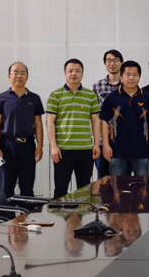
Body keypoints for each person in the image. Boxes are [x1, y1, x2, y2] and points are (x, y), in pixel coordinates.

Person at [46, 59, 101, 199]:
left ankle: (82, 213)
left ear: (82, 74)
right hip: (63, 150)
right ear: (65, 73)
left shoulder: (90, 95)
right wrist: (53, 146)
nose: (74, 74)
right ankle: (59, 214)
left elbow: (95, 121)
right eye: (70, 71)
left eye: (77, 71)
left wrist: (96, 144)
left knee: (84, 188)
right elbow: (50, 122)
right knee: (61, 188)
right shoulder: (55, 95)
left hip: (85, 149)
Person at [0, 62, 45, 197]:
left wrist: (40, 146)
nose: (19, 76)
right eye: (15, 73)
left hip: (28, 146)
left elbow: (38, 124)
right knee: (6, 187)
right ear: (9, 76)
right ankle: (7, 212)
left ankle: (26, 211)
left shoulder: (34, 98)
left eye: (22, 73)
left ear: (27, 77)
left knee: (27, 187)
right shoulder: (1, 98)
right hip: (7, 146)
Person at [100, 61, 149, 176]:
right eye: (128, 74)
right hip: (117, 152)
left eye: (135, 75)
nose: (131, 78)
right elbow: (104, 121)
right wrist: (106, 145)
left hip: (142, 152)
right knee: (117, 186)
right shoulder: (112, 97)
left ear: (139, 77)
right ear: (121, 77)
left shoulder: (146, 97)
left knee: (143, 185)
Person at [92, 49, 123, 179]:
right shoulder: (97, 86)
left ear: (121, 63)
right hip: (101, 140)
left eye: (115, 60)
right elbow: (94, 115)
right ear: (105, 63)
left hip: (122, 140)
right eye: (109, 61)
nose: (112, 63)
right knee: (102, 179)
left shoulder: (128, 85)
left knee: (120, 179)